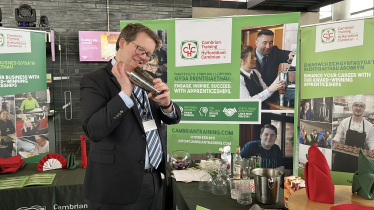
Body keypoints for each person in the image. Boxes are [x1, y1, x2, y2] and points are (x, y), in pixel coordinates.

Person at [80, 23, 181, 210]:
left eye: (148, 54)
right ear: (123, 42)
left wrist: (167, 104)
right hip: (115, 186)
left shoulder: (148, 77)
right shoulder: (95, 81)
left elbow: (171, 118)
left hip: (154, 180)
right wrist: (125, 93)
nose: (144, 57)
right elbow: (94, 130)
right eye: (140, 49)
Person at [332, 94, 374, 173]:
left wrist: (373, 149)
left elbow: (371, 141)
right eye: (356, 105)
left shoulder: (369, 126)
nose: (358, 108)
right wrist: (335, 140)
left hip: (358, 160)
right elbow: (338, 135)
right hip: (343, 159)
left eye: (361, 106)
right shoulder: (345, 122)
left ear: (364, 108)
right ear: (352, 107)